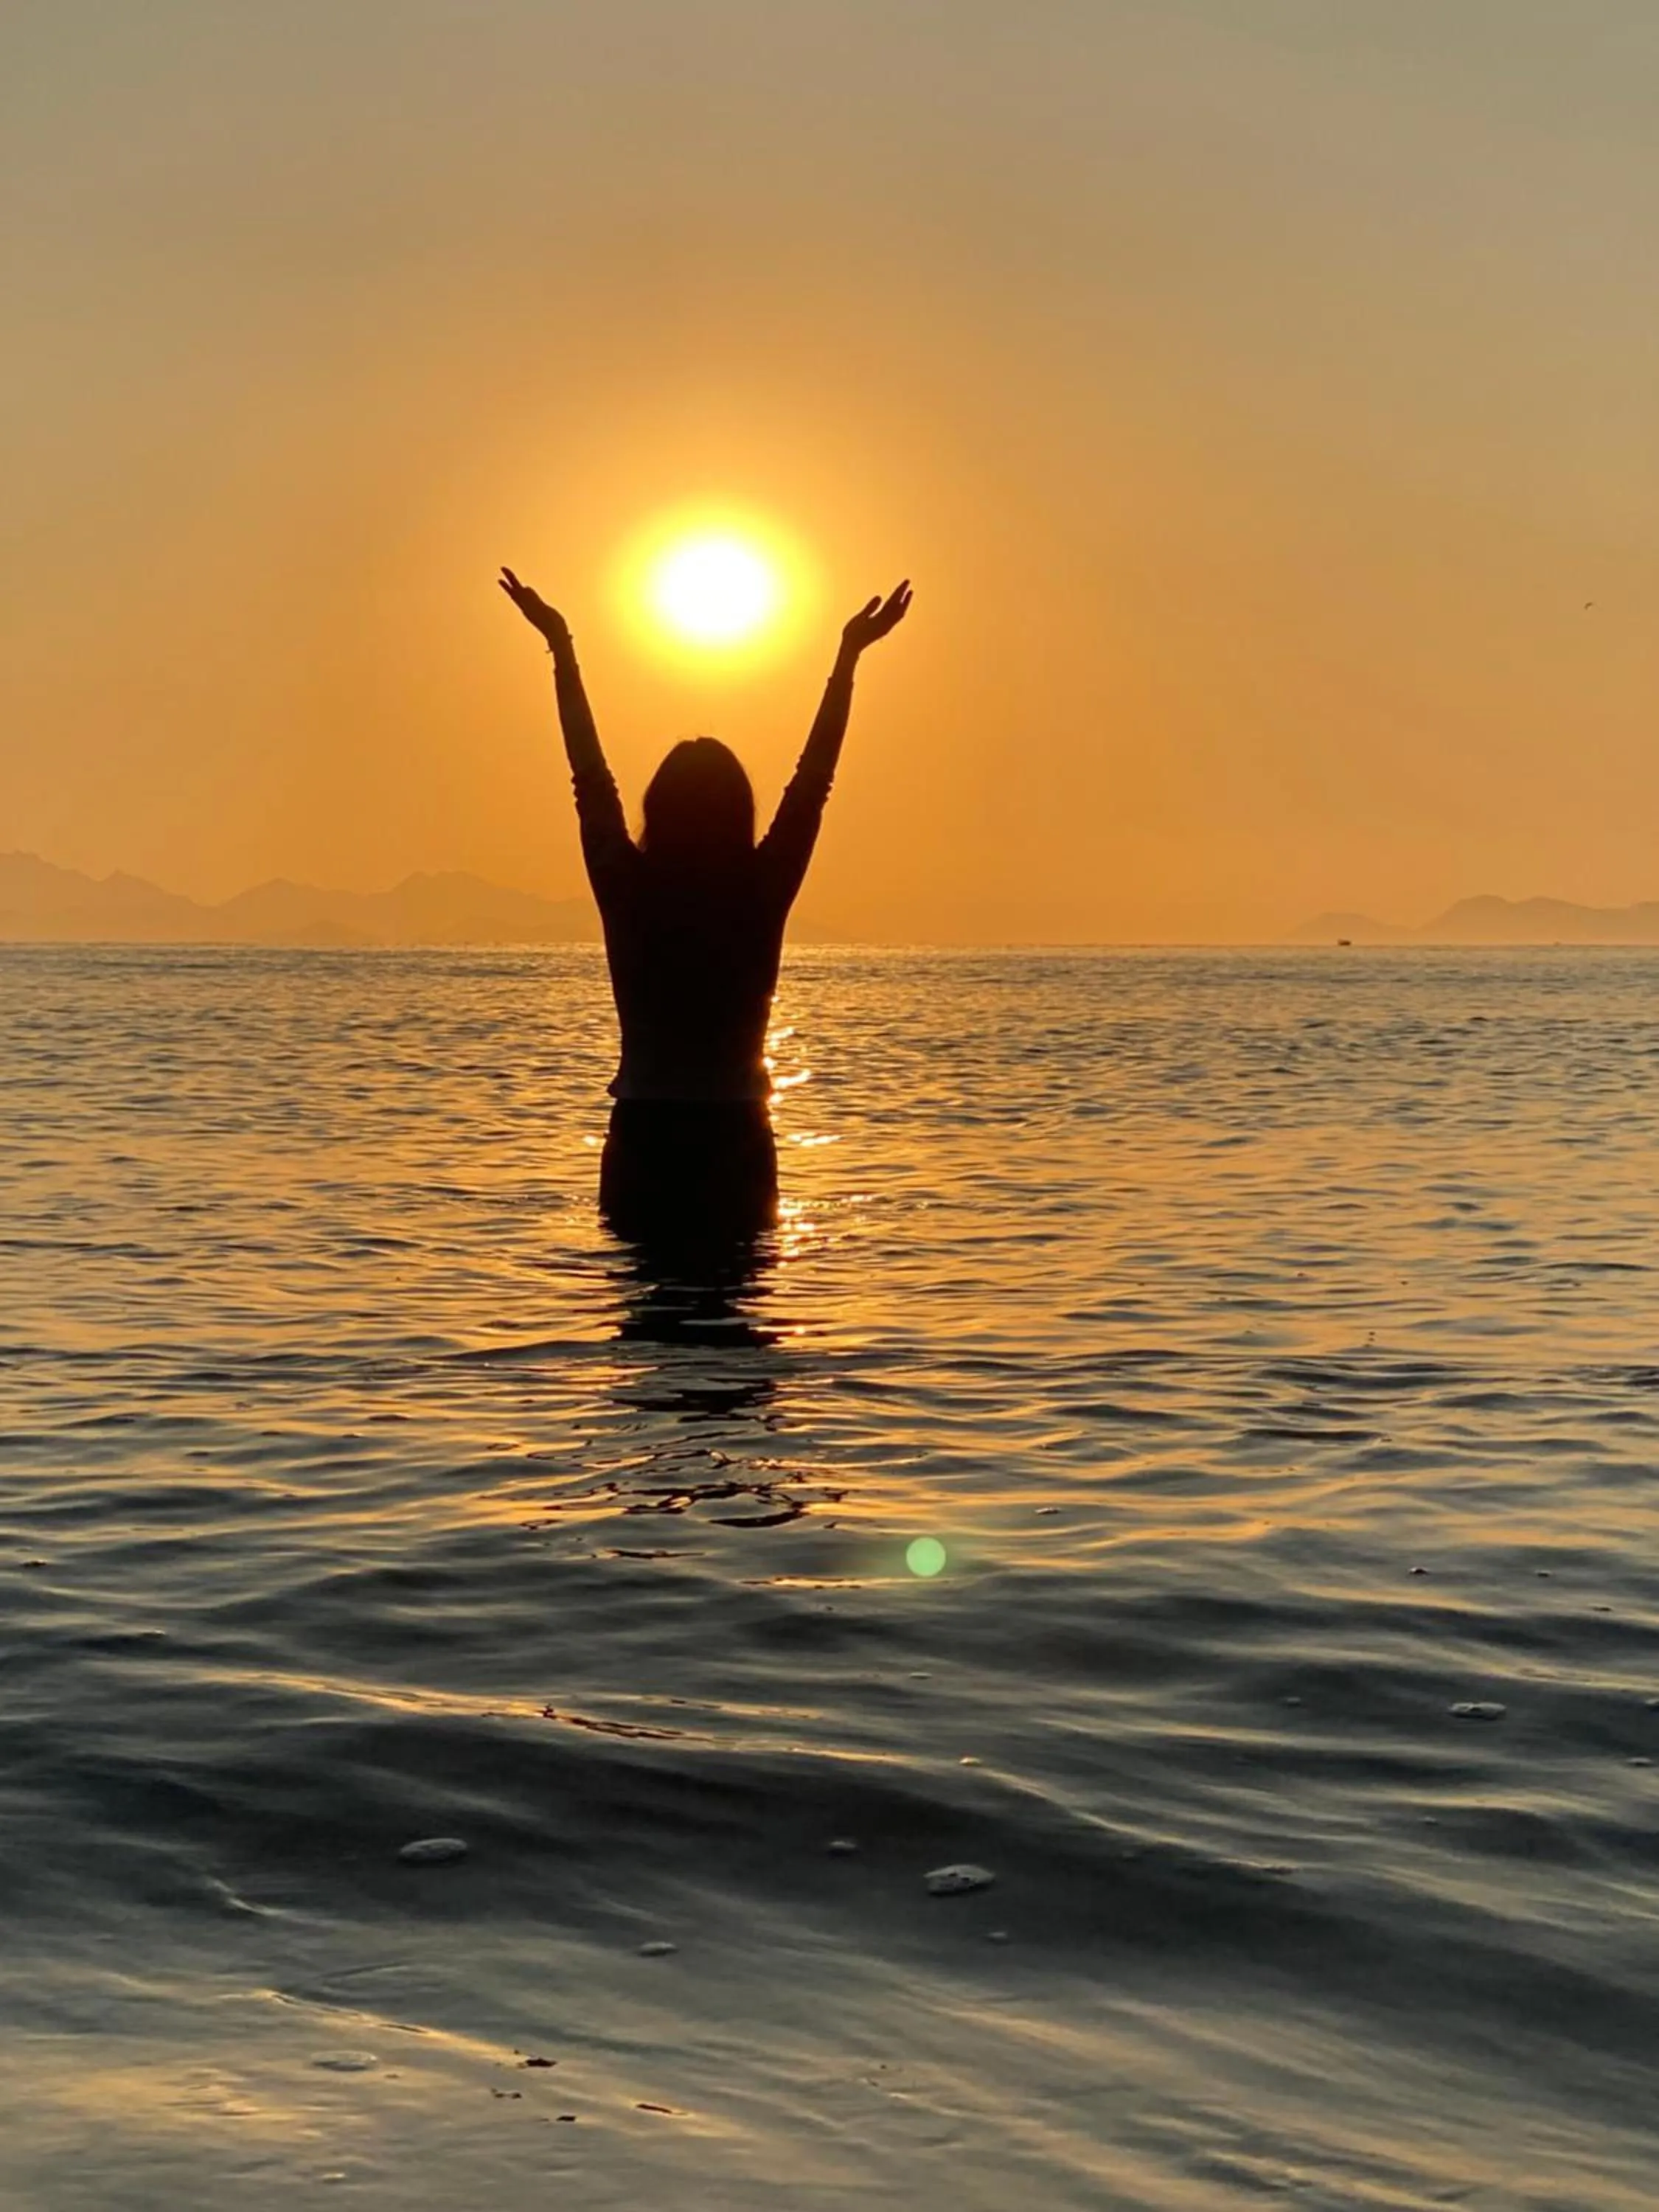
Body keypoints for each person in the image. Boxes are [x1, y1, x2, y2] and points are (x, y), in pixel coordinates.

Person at [500, 564, 913, 1245]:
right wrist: (848, 657)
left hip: (645, 1136)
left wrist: (562, 644)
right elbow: (813, 781)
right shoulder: (762, 886)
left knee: (643, 1304)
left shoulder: (626, 884)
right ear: (738, 810)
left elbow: (589, 776)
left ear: (658, 808)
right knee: (738, 1303)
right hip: (734, 1139)